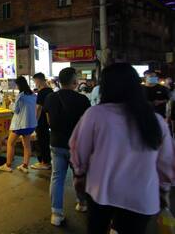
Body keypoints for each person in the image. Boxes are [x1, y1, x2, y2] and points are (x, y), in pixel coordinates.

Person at [70, 63, 174, 234]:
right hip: (141, 197)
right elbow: (166, 163)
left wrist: (79, 175)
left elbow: (78, 149)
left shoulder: (96, 115)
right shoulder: (155, 120)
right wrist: (164, 189)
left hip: (101, 191)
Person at [44, 67, 90, 226]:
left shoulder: (50, 98)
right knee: (79, 175)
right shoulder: (83, 100)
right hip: (76, 145)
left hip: (56, 143)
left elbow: (49, 121)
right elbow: (86, 125)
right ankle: (82, 203)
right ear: (75, 81)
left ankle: (56, 214)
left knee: (57, 178)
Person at [0, 76, 37, 173]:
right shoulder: (33, 95)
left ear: (19, 85)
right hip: (30, 124)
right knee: (27, 145)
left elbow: (16, 110)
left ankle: (7, 165)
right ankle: (25, 165)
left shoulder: (21, 95)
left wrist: (11, 102)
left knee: (10, 143)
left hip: (20, 125)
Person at [31, 73, 53, 170]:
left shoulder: (42, 92)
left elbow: (38, 108)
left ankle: (44, 163)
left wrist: (35, 121)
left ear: (39, 80)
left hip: (41, 120)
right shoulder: (50, 90)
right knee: (46, 140)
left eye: (35, 81)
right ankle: (47, 161)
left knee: (41, 141)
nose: (35, 83)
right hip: (48, 120)